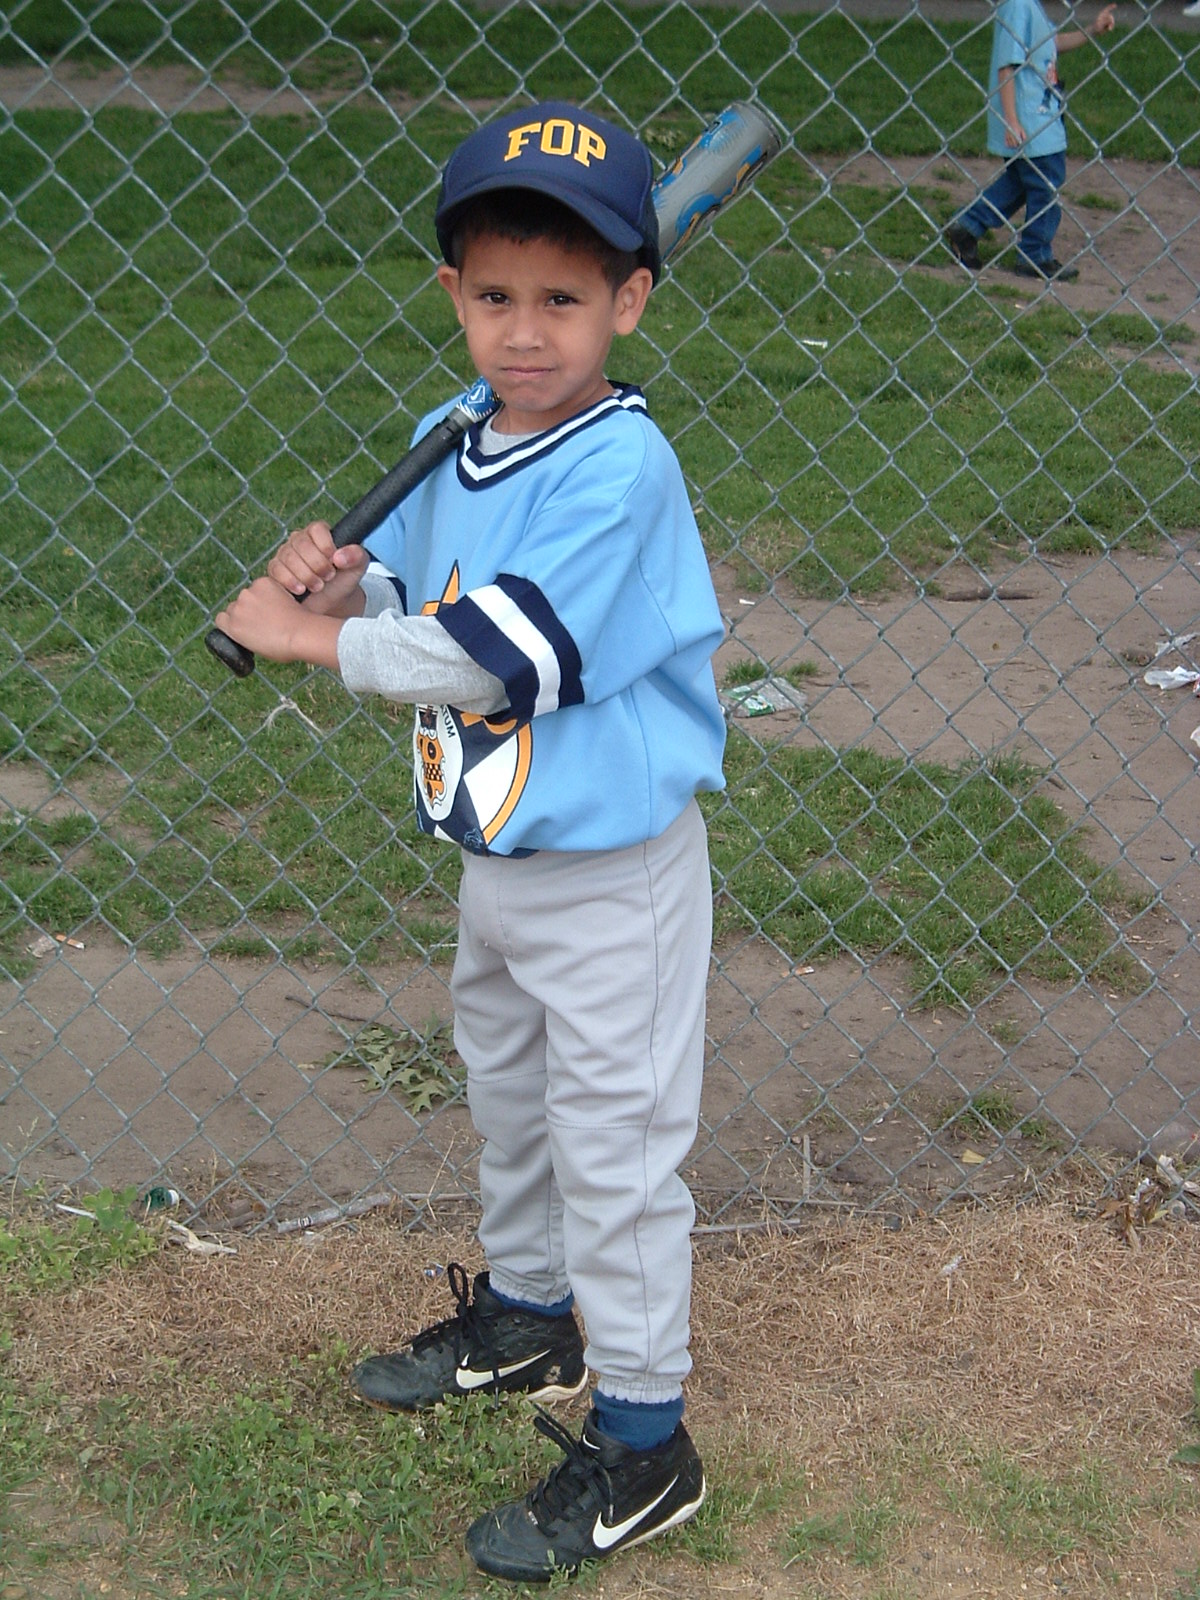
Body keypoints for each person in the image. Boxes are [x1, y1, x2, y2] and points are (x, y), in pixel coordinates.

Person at [215, 101, 726, 1583]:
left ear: (630, 301)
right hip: (500, 867)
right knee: (511, 1102)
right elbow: (424, 604)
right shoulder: (461, 436)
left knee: (617, 1151)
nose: (525, 332)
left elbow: (495, 653)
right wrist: (346, 593)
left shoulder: (620, 468)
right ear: (454, 295)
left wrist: (310, 643)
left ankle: (647, 1443)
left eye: (564, 299)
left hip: (614, 878)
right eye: (495, 295)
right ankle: (528, 1317)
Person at [945, 0, 1117, 281]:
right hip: (1029, 120)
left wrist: (1092, 30)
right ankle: (1034, 254)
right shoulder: (1018, 5)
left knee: (1022, 181)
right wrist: (1012, 121)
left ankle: (968, 225)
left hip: (1039, 117)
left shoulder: (1030, 5)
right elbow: (1006, 66)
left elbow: (1053, 44)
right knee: (1046, 181)